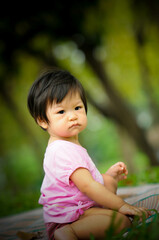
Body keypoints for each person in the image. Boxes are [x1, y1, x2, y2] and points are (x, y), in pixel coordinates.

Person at [27, 69, 150, 240]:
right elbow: (88, 186)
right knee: (120, 222)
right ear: (42, 120)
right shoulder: (62, 150)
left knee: (113, 202)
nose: (72, 116)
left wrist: (109, 178)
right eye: (61, 112)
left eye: (77, 107)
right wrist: (121, 205)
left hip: (81, 208)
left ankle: (106, 188)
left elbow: (88, 183)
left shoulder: (68, 144)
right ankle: (67, 233)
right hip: (68, 218)